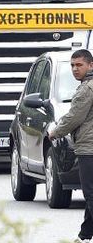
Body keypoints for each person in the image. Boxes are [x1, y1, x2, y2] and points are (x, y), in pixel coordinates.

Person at [49, 49, 93, 242]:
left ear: (91, 65)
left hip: (89, 148)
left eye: (79, 65)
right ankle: (84, 236)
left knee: (90, 193)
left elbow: (75, 117)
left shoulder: (87, 88)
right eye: (72, 65)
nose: (75, 69)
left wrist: (55, 131)